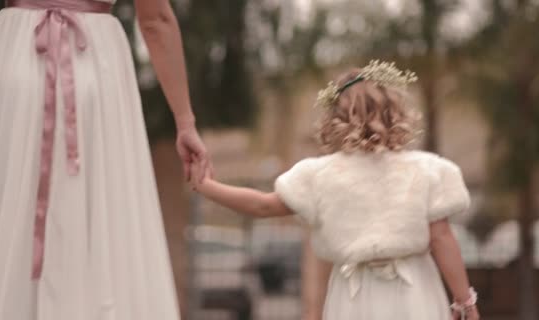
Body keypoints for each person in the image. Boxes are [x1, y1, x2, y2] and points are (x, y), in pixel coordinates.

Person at [190, 61, 481, 320]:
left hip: (353, 296)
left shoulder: (320, 176)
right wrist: (464, 301)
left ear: (337, 118)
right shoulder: (427, 170)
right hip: (414, 291)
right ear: (394, 112)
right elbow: (442, 238)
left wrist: (208, 187)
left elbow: (262, 205)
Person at [0, 0, 209, 319]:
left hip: (14, 61)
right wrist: (185, 122)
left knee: (5, 218)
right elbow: (156, 20)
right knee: (100, 223)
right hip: (96, 68)